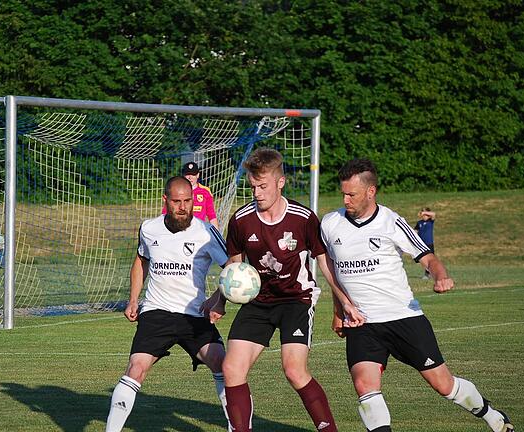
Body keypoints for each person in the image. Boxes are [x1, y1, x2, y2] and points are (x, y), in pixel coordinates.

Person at [319, 158, 514, 432]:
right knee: (365, 386)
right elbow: (332, 270)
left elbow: (429, 258)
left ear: (371, 191)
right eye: (343, 193)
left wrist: (441, 276)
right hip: (362, 324)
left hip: (403, 318)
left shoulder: (391, 222)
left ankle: (491, 414)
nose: (345, 199)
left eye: (352, 194)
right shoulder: (330, 223)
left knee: (443, 385)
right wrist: (339, 311)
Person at [205, 148, 360, 432]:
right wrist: (219, 300)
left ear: (280, 182)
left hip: (296, 300)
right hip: (258, 302)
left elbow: (325, 263)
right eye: (253, 187)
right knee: (231, 369)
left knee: (294, 370)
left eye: (263, 186)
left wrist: (344, 304)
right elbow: (234, 267)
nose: (257, 193)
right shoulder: (241, 220)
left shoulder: (303, 218)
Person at [105, 176, 230, 432]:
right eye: (177, 202)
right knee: (136, 369)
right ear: (165, 200)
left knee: (223, 363)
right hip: (156, 313)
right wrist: (133, 300)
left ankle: (237, 427)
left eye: (188, 201)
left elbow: (233, 271)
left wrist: (218, 300)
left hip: (194, 315)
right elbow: (141, 261)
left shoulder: (206, 231)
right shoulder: (149, 228)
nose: (183, 207)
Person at [163, 161, 219, 229]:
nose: (190, 177)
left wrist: (217, 234)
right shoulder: (176, 190)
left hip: (198, 231)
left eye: (193, 174)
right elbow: (165, 213)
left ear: (198, 175)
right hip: (179, 229)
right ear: (183, 175)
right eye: (188, 174)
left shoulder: (205, 191)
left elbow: (212, 216)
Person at [414, 207, 436, 279]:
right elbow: (415, 232)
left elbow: (433, 214)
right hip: (421, 245)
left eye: (425, 214)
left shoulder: (430, 221)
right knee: (421, 260)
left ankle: (428, 274)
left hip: (429, 244)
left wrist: (424, 212)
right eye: (423, 214)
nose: (423, 216)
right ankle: (428, 273)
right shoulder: (419, 223)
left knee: (430, 259)